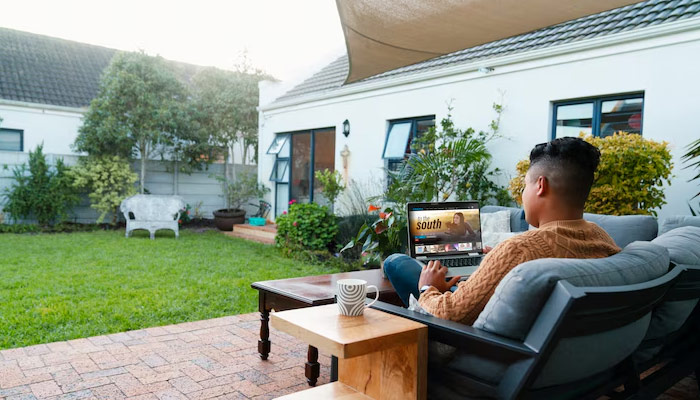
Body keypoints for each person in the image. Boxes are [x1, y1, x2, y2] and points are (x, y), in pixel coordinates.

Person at [383, 137, 621, 324]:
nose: (522, 195)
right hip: (561, 355)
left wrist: (428, 288)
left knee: (396, 262)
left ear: (540, 186)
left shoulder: (519, 250)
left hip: (478, 346)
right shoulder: (602, 239)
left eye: (525, 184)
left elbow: (450, 315)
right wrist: (494, 261)